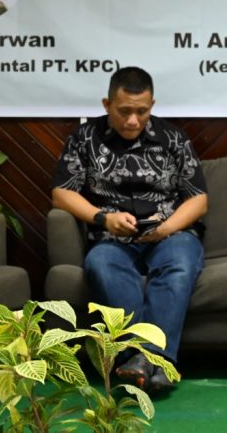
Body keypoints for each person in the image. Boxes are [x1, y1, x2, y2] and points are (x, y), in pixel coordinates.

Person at [51, 66, 207, 394]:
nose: (133, 120)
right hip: (113, 237)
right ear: (107, 104)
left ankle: (144, 360)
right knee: (101, 265)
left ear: (152, 105)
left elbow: (198, 199)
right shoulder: (84, 139)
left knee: (178, 265)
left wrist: (166, 228)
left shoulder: (173, 138)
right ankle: (152, 362)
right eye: (124, 112)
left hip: (171, 235)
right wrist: (103, 219)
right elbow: (62, 193)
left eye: (142, 111)